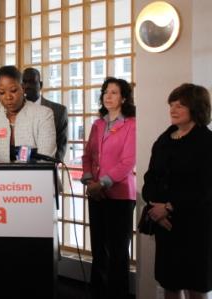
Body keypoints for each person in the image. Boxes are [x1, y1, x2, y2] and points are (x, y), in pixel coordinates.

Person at [142, 83, 212, 299]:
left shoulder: (207, 142)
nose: (173, 109)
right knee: (169, 284)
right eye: (172, 105)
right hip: (166, 226)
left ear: (196, 108)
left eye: (180, 105)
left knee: (196, 287)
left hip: (196, 227)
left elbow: (206, 187)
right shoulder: (163, 140)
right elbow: (150, 177)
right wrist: (155, 208)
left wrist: (170, 207)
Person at [81, 77, 136, 299]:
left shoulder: (131, 123)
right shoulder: (98, 124)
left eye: (114, 92)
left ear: (124, 97)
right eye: (105, 92)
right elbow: (87, 156)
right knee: (99, 252)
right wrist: (88, 181)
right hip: (96, 196)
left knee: (118, 253)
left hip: (120, 196)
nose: (108, 96)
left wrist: (101, 184)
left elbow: (128, 161)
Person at [0, 65, 56, 161]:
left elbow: (46, 161)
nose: (8, 97)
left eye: (13, 90)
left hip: (34, 175)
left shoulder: (43, 114)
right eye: (2, 92)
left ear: (23, 88)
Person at [22, 67, 68, 161]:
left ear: (41, 85)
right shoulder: (14, 111)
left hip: (48, 167)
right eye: (24, 82)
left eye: (31, 82)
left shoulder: (59, 111)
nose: (27, 86)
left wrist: (48, 167)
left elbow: (61, 145)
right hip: (19, 169)